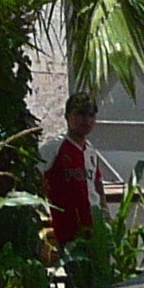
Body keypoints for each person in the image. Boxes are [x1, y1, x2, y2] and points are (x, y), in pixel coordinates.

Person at [46, 95, 101, 249]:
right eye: (81, 114)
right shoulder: (54, 148)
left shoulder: (91, 151)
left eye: (91, 115)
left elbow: (97, 186)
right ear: (68, 116)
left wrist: (105, 216)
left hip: (94, 230)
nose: (87, 120)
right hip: (67, 232)